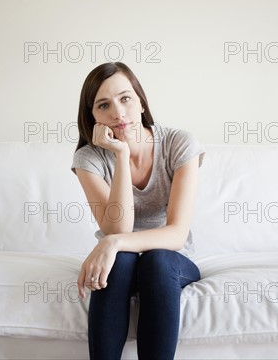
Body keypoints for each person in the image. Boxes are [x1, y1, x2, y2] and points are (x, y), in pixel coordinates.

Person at [71, 62, 206, 360]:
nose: (118, 113)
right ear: (92, 117)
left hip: (171, 262)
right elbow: (118, 229)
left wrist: (113, 243)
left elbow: (176, 235)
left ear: (141, 102)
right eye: (103, 105)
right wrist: (120, 154)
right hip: (120, 264)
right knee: (121, 261)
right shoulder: (88, 159)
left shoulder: (178, 144)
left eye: (125, 98)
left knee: (156, 260)